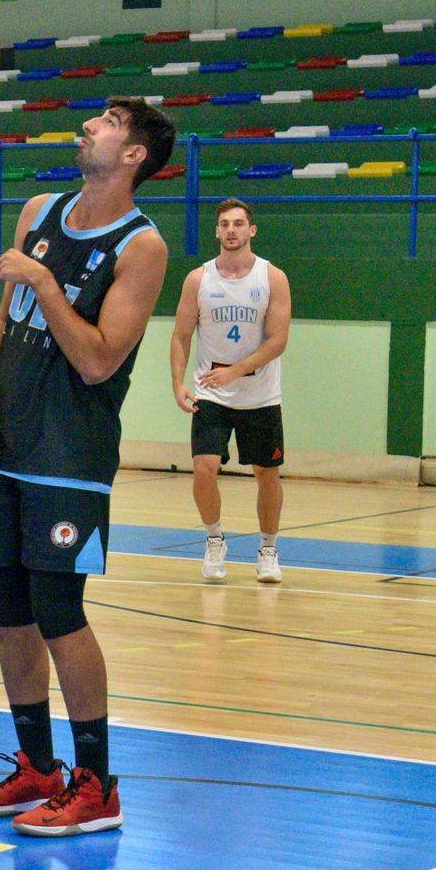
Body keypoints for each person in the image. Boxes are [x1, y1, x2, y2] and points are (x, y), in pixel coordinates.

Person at [0, 97, 176, 837]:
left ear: (136, 153)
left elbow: (98, 359)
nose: (90, 126)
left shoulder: (142, 248)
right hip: (8, 443)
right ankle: (36, 768)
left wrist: (46, 283)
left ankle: (97, 784)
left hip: (70, 452)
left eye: (108, 123)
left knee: (59, 612)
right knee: (8, 607)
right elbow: (5, 318)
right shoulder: (40, 212)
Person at [169, 198, 291, 583]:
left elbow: (278, 341)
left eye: (238, 223)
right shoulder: (198, 279)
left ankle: (268, 549)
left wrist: (236, 371)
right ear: (216, 231)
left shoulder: (272, 278)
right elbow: (181, 335)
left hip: (260, 395)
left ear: (251, 230)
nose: (231, 230)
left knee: (266, 473)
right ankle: (214, 540)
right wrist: (177, 382)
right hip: (212, 394)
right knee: (204, 468)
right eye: (224, 224)